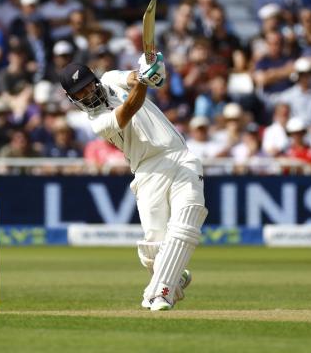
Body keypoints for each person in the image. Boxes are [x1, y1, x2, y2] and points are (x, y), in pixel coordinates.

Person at [59, 53, 207, 311]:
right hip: (147, 170)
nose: (87, 94)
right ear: (74, 100)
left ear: (95, 80)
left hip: (179, 155)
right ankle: (175, 276)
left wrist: (150, 70)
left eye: (87, 86)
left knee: (188, 217)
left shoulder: (110, 78)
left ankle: (161, 293)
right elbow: (129, 108)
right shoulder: (96, 122)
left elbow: (135, 78)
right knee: (154, 247)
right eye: (79, 93)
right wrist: (144, 83)